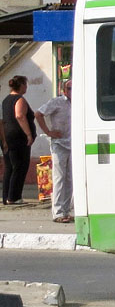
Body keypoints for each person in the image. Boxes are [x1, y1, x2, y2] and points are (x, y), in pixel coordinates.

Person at [35, 79, 73, 223]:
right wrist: (48, 131)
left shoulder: (79, 102)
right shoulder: (57, 102)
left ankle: (66, 210)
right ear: (64, 90)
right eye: (69, 89)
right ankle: (57, 212)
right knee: (59, 177)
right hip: (59, 144)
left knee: (70, 178)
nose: (71, 91)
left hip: (73, 143)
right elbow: (38, 114)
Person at [1, 75, 36, 206]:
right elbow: (20, 116)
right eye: (25, 84)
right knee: (20, 166)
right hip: (18, 138)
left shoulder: (6, 100)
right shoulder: (19, 99)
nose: (26, 87)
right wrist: (28, 134)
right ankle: (14, 197)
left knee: (10, 167)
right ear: (21, 85)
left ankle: (7, 197)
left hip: (7, 137)